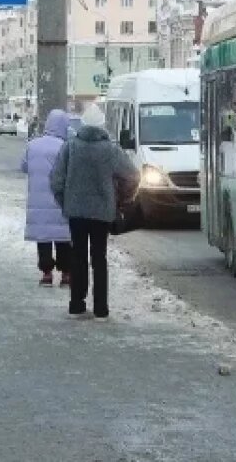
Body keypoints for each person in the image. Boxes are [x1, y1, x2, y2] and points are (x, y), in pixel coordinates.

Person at [51, 103, 139, 320]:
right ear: (102, 126)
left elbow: (56, 180)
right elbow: (133, 176)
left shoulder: (70, 147)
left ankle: (76, 303)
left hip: (76, 212)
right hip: (102, 213)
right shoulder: (111, 150)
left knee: (78, 255)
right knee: (99, 258)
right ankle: (101, 307)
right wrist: (121, 199)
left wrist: (66, 202)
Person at [21, 110, 72, 287]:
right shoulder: (65, 146)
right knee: (63, 237)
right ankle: (66, 274)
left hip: (38, 201)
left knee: (43, 238)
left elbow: (24, 167)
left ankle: (46, 274)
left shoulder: (32, 145)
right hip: (60, 200)